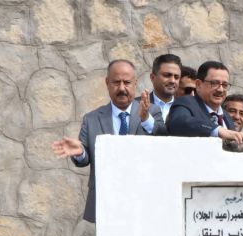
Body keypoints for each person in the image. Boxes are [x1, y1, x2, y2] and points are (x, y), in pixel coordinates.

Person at [51, 59, 164, 223]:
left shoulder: (152, 111)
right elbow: (85, 159)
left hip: (143, 200)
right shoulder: (91, 119)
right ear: (107, 83)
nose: (122, 88)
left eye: (127, 82)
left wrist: (146, 119)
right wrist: (81, 152)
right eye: (116, 82)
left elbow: (162, 138)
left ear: (135, 83)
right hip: (106, 203)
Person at [166, 61, 243, 144]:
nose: (220, 89)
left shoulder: (226, 116)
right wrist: (217, 130)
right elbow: (179, 122)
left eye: (225, 85)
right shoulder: (186, 103)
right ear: (198, 84)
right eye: (214, 83)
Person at [148, 54, 182, 122]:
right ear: (152, 78)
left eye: (176, 77)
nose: (172, 81)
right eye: (167, 75)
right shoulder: (136, 105)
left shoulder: (185, 107)